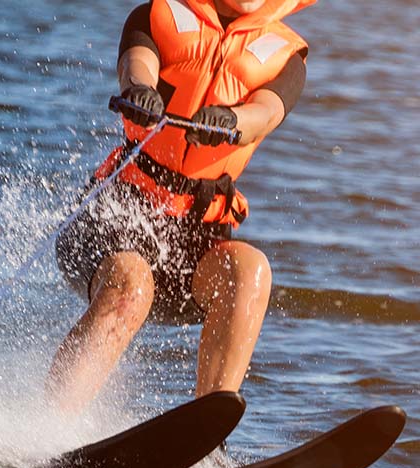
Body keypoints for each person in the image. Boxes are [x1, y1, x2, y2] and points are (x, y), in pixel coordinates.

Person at [50, 0, 314, 412]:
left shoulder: (287, 58)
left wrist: (233, 121)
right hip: (114, 222)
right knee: (131, 282)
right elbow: (136, 63)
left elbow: (265, 112)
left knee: (249, 270)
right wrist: (139, 90)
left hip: (193, 240)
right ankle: (52, 425)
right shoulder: (155, 15)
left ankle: (208, 432)